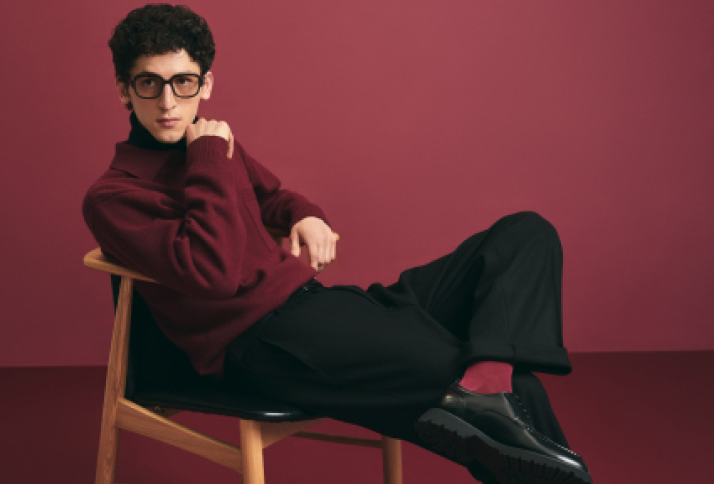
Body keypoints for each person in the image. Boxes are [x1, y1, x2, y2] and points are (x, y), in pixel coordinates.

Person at [82, 5, 592, 484]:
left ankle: (486, 384)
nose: (168, 102)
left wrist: (307, 215)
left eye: (182, 82)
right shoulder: (116, 196)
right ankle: (487, 391)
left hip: (330, 308)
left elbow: (274, 197)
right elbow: (211, 273)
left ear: (205, 84)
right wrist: (208, 158)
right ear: (125, 90)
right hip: (266, 341)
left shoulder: (213, 147)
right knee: (522, 395)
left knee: (526, 233)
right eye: (149, 84)